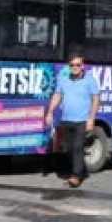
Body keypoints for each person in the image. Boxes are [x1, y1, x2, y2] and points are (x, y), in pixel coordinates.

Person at [44, 53, 101, 187]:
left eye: (77, 65)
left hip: (82, 120)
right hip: (67, 120)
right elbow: (57, 96)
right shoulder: (64, 79)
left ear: (83, 66)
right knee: (69, 148)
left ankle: (76, 176)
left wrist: (91, 118)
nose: (75, 67)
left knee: (77, 146)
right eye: (72, 65)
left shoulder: (90, 80)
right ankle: (78, 170)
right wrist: (50, 112)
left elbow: (96, 99)